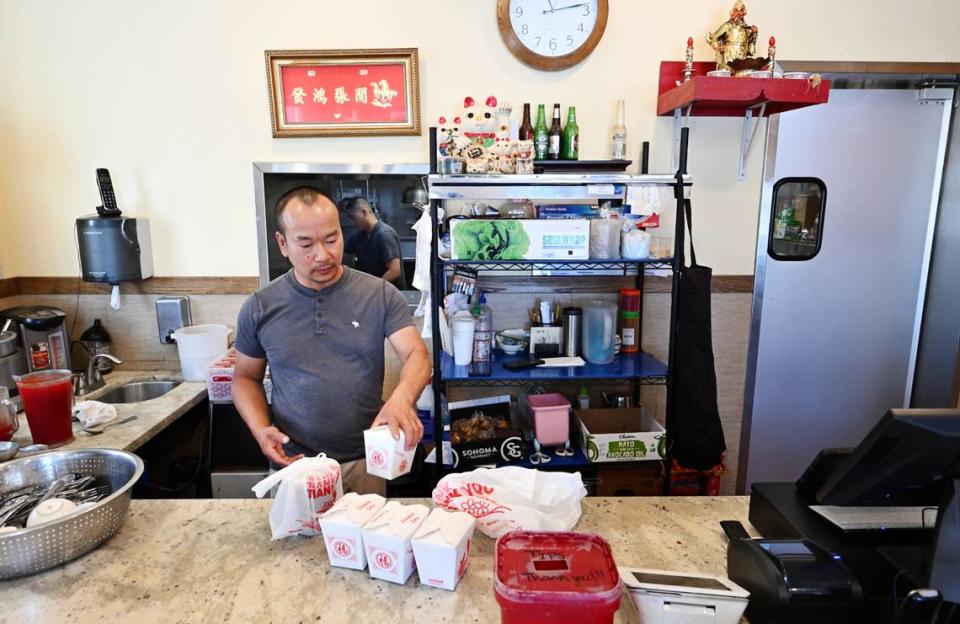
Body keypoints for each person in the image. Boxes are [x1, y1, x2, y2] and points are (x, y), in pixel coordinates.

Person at [233, 186, 430, 495]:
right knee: (296, 545)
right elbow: (245, 377)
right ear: (283, 244)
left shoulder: (378, 294)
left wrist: (402, 399)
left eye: (332, 239)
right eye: (306, 243)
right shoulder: (261, 306)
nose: (323, 255)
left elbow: (416, 355)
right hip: (294, 464)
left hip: (364, 461)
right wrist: (260, 429)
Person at [342, 197, 406, 289]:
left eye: (353, 218)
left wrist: (373, 289)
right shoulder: (357, 236)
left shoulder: (384, 234)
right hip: (370, 291)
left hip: (390, 293)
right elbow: (344, 254)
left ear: (364, 212)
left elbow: (394, 271)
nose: (351, 222)